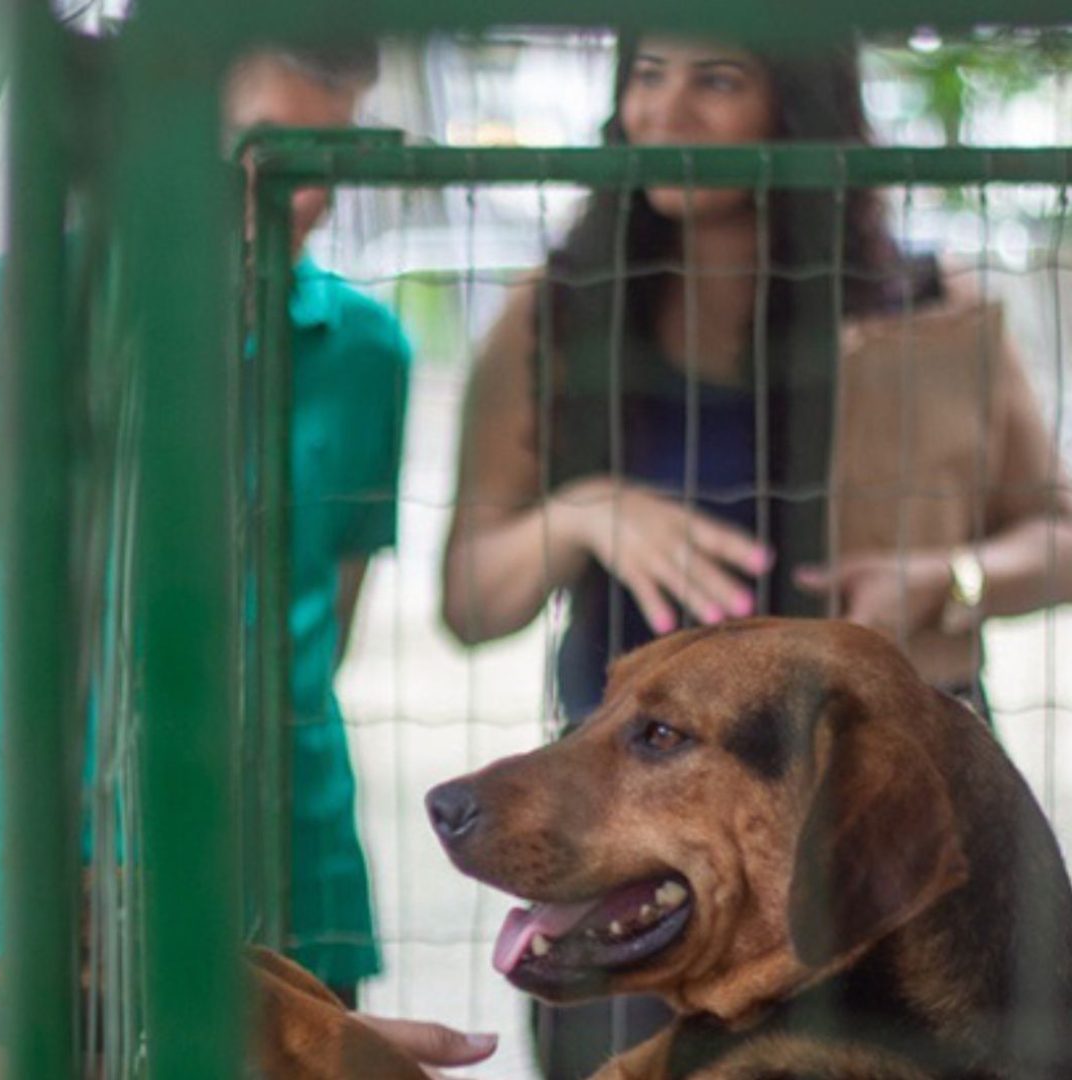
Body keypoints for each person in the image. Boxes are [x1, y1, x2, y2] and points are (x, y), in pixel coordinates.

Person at [440, 32, 1072, 1079]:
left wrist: (954, 580)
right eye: (646, 76)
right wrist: (586, 514)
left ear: (799, 114)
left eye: (716, 80)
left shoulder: (926, 304)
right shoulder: (551, 316)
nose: (666, 112)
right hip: (645, 836)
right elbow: (470, 598)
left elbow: (1059, 533)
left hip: (877, 825)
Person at [0, 43, 413, 1039]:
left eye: (328, 161)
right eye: (262, 158)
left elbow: (324, 629)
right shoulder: (11, 315)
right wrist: (36, 849)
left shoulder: (370, 354)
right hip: (50, 900)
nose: (300, 199)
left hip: (293, 878)